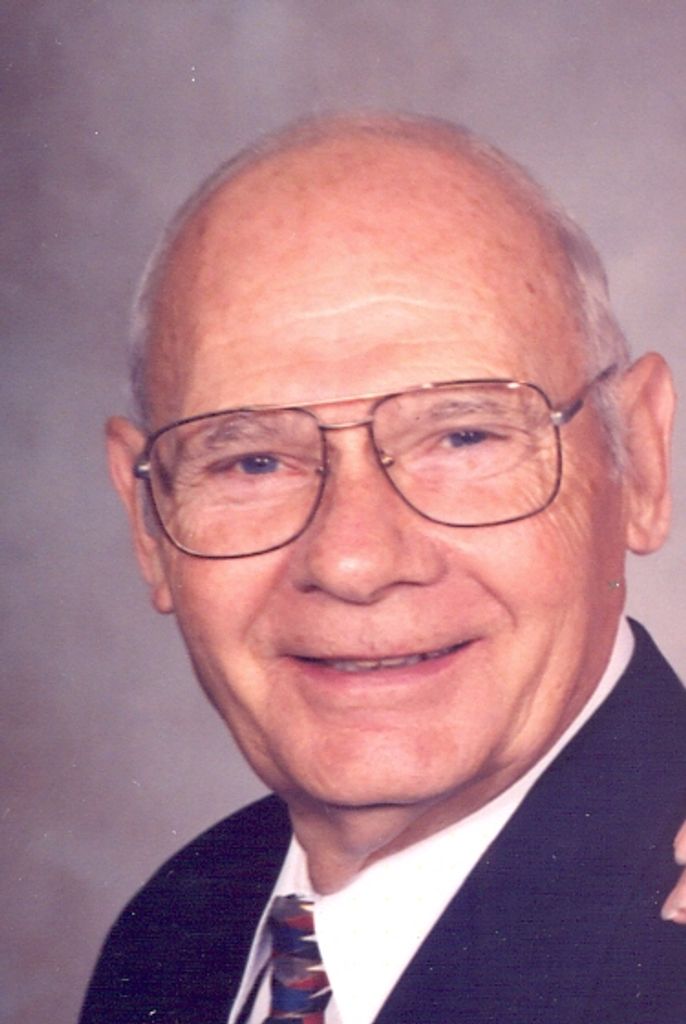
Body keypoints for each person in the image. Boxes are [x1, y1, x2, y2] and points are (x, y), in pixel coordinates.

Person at [80, 114, 686, 1023]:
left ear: (637, 461)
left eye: (464, 435)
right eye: (252, 460)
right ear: (149, 521)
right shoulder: (178, 928)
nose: (353, 560)